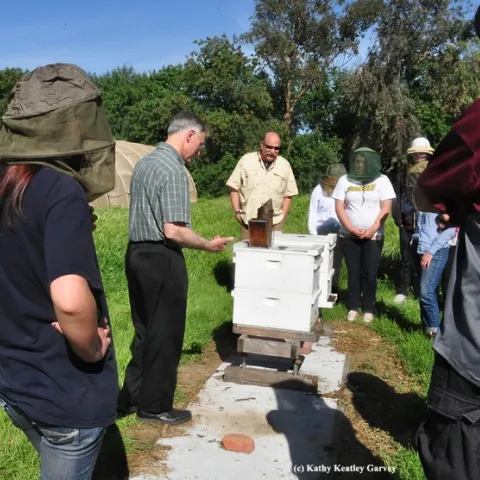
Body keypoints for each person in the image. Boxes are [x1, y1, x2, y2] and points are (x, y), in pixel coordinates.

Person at [0, 64, 118, 480]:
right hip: (64, 391)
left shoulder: (9, 183)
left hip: (16, 382)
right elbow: (69, 303)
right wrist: (92, 347)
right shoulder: (61, 189)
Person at [118, 111, 234, 425]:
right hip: (161, 257)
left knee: (145, 331)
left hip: (137, 254)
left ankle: (131, 397)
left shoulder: (145, 162)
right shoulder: (173, 168)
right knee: (166, 334)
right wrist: (208, 245)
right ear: (189, 135)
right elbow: (173, 230)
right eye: (201, 144)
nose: (200, 151)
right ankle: (155, 406)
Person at [414, 9, 480, 473]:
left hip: (474, 359)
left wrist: (451, 204)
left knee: (457, 455)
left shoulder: (476, 128)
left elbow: (427, 189)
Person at [333, 147, 396, 323]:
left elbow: (386, 208)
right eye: (358, 160)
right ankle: (353, 307)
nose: (361, 163)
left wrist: (372, 229)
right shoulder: (344, 180)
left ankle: (369, 308)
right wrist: (351, 228)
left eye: (364, 160)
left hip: (373, 236)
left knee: (369, 272)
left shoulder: (382, 180)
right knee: (354, 272)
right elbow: (339, 207)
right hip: (348, 234)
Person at [226, 132, 298, 239]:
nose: (273, 151)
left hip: (274, 223)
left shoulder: (284, 165)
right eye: (269, 147)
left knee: (274, 255)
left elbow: (288, 194)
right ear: (261, 145)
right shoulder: (246, 160)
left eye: (276, 148)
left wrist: (282, 218)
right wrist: (237, 213)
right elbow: (234, 187)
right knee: (248, 255)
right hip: (248, 223)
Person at [392, 137, 435, 303]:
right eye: (416, 152)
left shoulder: (434, 170)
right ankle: (403, 290)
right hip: (407, 221)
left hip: (428, 224)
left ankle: (422, 291)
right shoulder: (403, 172)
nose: (420, 155)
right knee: (406, 258)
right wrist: (399, 218)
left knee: (425, 258)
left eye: (423, 152)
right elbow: (397, 195)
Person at [411, 211, 456, 338]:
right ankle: (426, 327)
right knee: (424, 291)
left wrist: (430, 252)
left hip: (435, 251)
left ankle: (434, 330)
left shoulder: (442, 200)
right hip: (419, 247)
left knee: (427, 291)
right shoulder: (423, 199)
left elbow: (451, 230)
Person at [308, 163, 347, 292]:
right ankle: (318, 287)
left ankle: (333, 287)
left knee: (336, 261)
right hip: (321, 231)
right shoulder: (318, 190)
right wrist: (313, 234)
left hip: (339, 230)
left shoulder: (346, 191)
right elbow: (312, 212)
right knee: (320, 261)